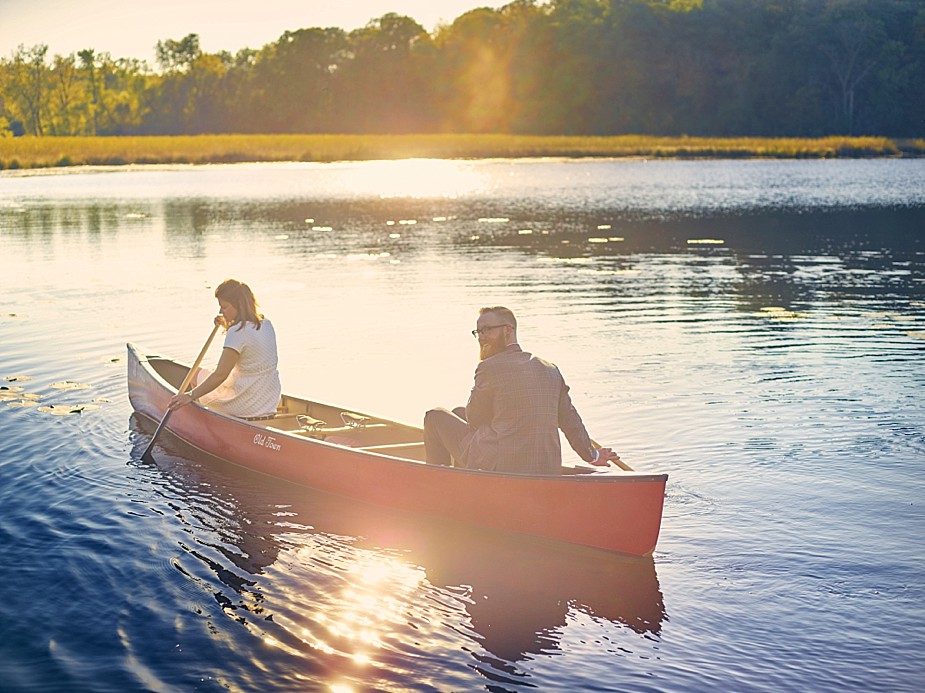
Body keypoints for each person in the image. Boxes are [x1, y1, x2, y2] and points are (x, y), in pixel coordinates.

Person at [424, 306, 620, 474]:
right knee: (458, 412)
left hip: (501, 465)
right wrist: (592, 455)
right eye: (478, 332)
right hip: (546, 467)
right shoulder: (550, 368)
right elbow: (569, 420)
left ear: (508, 330)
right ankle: (467, 481)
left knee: (434, 416)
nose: (482, 337)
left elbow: (475, 418)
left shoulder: (488, 367)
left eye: (487, 330)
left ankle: (437, 485)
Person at [168, 279, 282, 420]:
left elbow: (221, 375)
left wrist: (190, 395)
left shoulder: (236, 332)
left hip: (246, 404)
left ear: (239, 305)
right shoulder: (266, 324)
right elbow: (248, 341)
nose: (221, 311)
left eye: (225, 307)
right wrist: (227, 324)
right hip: (268, 401)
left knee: (196, 374)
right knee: (211, 376)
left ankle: (201, 420)